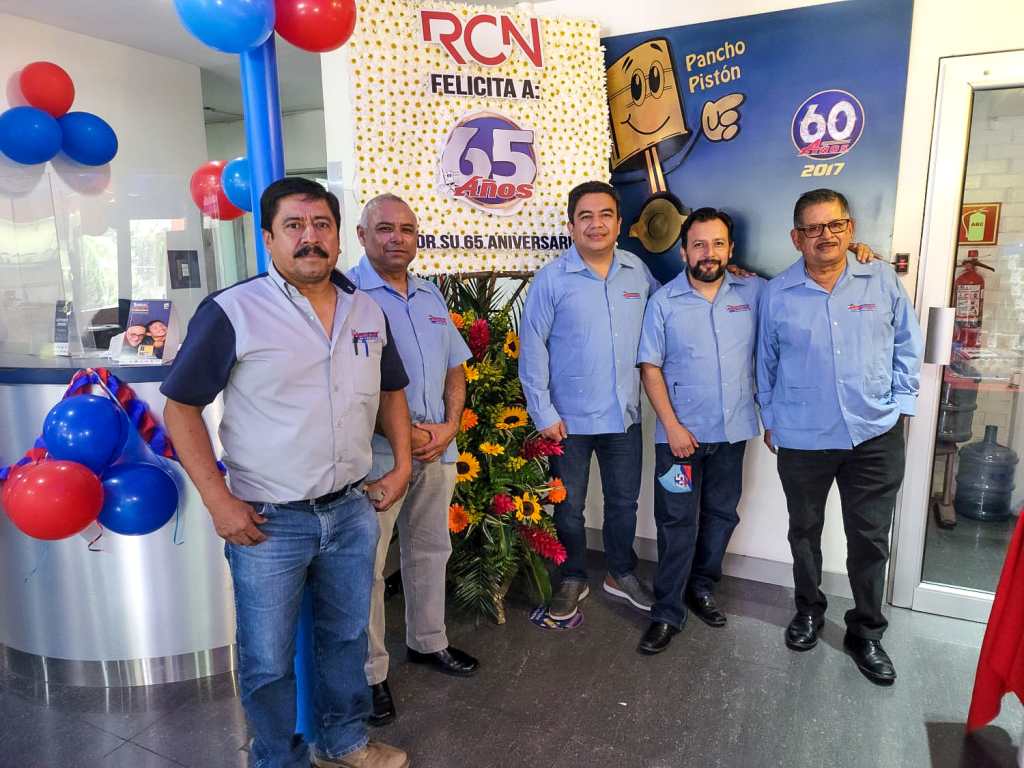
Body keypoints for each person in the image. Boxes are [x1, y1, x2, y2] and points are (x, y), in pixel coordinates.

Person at [161, 177, 412, 768]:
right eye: (294, 226)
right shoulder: (234, 311)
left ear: (338, 236)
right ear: (268, 238)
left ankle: (343, 743)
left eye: (321, 225)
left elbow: (391, 391)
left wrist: (402, 465)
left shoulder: (366, 309)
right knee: (268, 659)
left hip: (351, 509)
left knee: (346, 638)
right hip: (268, 522)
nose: (309, 237)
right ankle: (277, 760)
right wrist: (219, 501)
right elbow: (180, 409)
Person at [756, 188, 923, 686]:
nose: (825, 235)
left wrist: (902, 407)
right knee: (804, 531)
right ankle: (808, 610)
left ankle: (866, 632)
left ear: (850, 230)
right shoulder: (777, 293)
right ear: (796, 238)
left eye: (834, 225)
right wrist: (771, 419)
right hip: (803, 436)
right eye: (813, 228)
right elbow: (765, 361)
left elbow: (907, 344)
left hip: (874, 434)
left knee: (869, 538)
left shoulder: (880, 278)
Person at [348, 193, 479, 728]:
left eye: (406, 229)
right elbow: (348, 387)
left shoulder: (430, 294)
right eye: (384, 228)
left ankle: (428, 641)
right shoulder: (346, 295)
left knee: (430, 550)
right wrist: (404, 433)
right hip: (378, 456)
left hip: (438, 446)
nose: (396, 238)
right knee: (369, 567)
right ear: (362, 236)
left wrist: (450, 425)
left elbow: (455, 366)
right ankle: (370, 673)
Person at [519, 180, 659, 621]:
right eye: (585, 217)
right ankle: (573, 576)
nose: (596, 225)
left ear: (619, 223)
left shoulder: (637, 272)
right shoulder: (552, 279)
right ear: (571, 226)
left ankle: (621, 572)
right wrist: (542, 412)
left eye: (605, 215)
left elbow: (669, 313)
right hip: (567, 422)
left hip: (624, 416)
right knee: (568, 508)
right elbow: (532, 347)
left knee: (624, 504)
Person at [635, 208, 765, 654]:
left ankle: (702, 587)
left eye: (718, 244)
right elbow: (650, 368)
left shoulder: (754, 292)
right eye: (699, 244)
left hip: (732, 434)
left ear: (731, 249)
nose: (709, 253)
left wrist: (860, 254)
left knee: (722, 516)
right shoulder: (663, 302)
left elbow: (802, 283)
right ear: (683, 251)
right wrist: (671, 427)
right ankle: (666, 611)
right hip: (680, 441)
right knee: (676, 523)